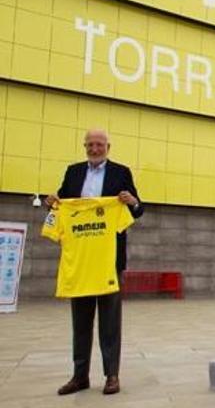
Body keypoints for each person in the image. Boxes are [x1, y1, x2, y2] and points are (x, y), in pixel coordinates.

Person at [45, 129, 144, 396]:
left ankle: (112, 375)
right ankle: (80, 376)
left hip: (108, 261)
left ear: (108, 147)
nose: (94, 148)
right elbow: (60, 204)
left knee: (110, 321)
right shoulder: (73, 172)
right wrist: (52, 204)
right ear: (84, 147)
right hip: (79, 261)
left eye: (99, 144)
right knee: (81, 321)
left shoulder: (121, 173)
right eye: (90, 144)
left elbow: (138, 209)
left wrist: (132, 202)